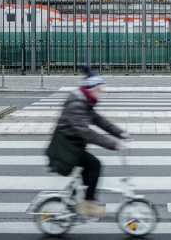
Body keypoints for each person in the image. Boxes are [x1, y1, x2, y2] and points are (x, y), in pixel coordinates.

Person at [48, 68, 129, 218]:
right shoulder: (77, 104)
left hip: (71, 145)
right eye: (99, 89)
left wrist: (119, 132)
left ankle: (82, 200)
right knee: (94, 165)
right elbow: (85, 132)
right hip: (66, 148)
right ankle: (88, 205)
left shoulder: (83, 101)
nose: (101, 92)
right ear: (90, 88)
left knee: (89, 168)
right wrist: (113, 144)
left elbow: (98, 120)